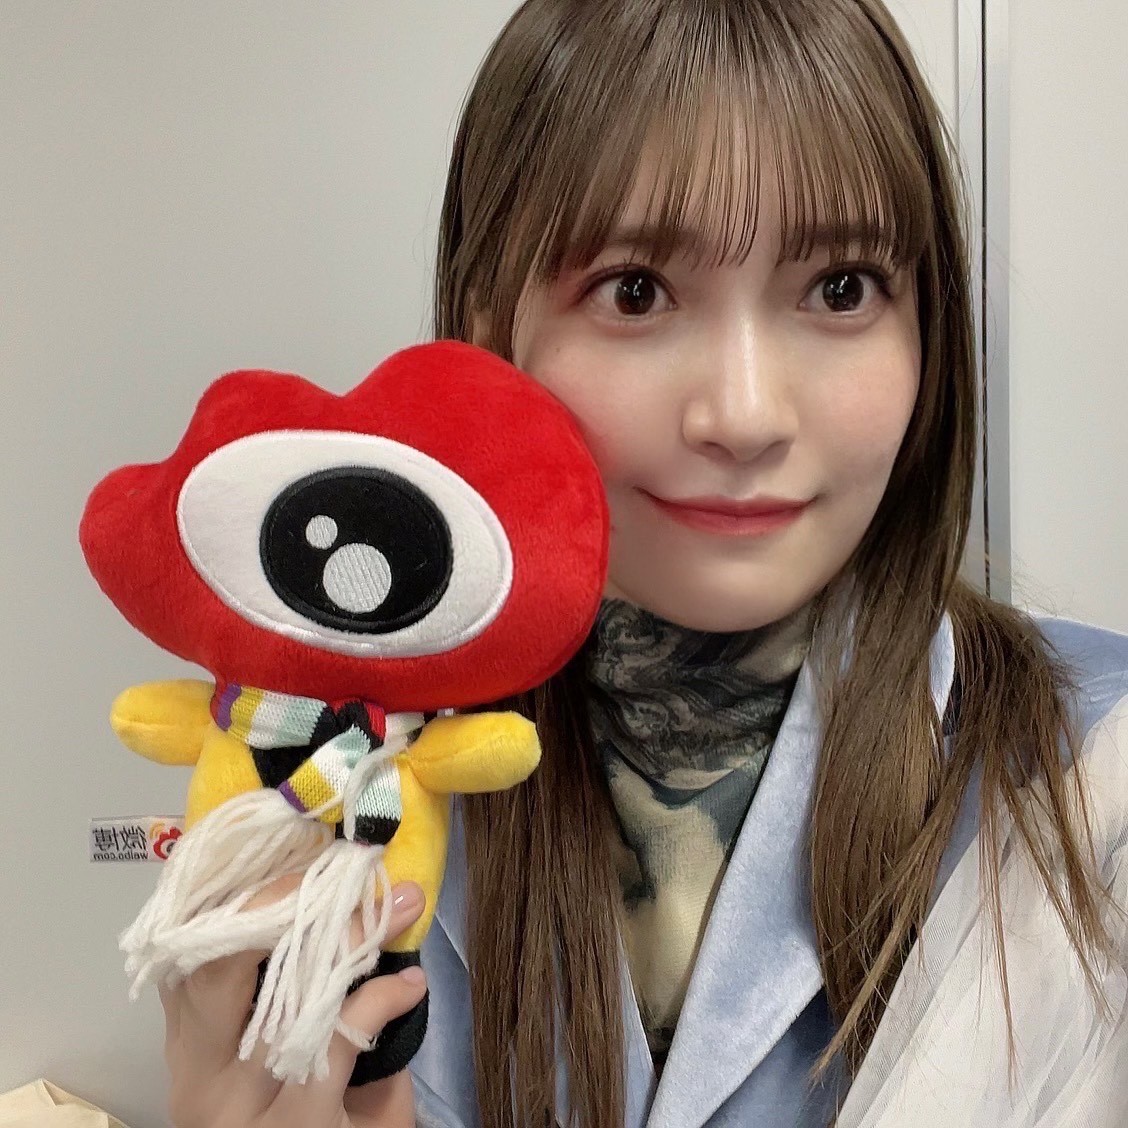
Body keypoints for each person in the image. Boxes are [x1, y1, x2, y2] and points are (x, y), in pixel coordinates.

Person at [157, 1, 1128, 1125]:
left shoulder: (1094, 775)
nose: (745, 415)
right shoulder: (337, 781)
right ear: (488, 329)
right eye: (635, 292)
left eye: (841, 288)